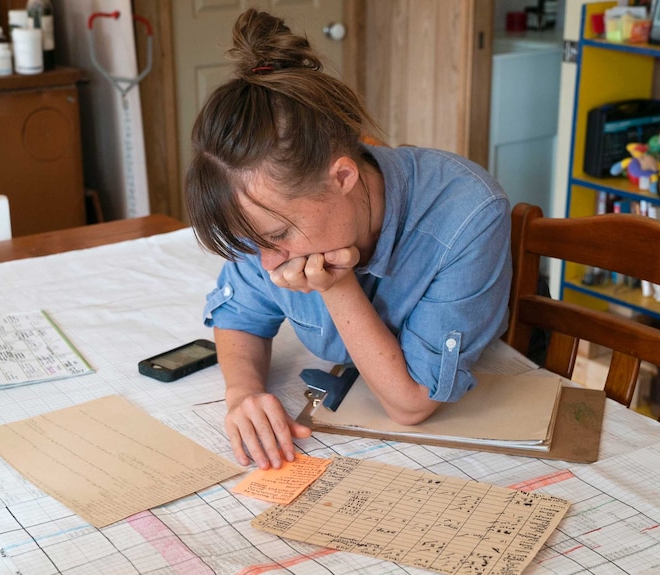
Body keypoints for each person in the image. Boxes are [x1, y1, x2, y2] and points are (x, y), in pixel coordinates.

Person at [186, 8, 512, 470]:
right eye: (251, 241)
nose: (266, 262)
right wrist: (244, 393)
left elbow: (412, 403)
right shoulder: (263, 212)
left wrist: (336, 286)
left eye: (278, 236)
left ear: (342, 177)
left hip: (469, 429)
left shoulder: (467, 215)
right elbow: (240, 313)